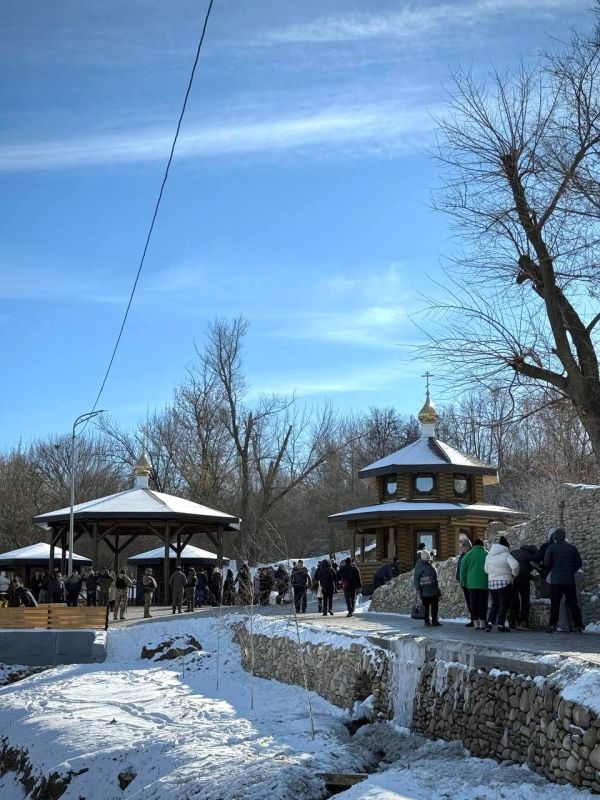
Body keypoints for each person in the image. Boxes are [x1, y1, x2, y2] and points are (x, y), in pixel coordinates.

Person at [543, 528, 584, 633]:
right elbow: (579, 563)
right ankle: (579, 625)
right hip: (569, 580)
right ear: (564, 537)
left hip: (556, 580)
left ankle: (552, 625)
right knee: (573, 603)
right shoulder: (572, 548)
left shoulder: (552, 548)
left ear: (555, 538)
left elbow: (546, 563)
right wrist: (571, 571)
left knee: (555, 604)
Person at [484, 535, 519, 632]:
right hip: (504, 583)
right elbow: (515, 565)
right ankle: (500, 625)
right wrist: (514, 574)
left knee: (495, 604)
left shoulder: (488, 556)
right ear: (506, 547)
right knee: (504, 604)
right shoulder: (506, 555)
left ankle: (489, 624)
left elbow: (486, 570)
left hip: (492, 583)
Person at [460, 538, 488, 629]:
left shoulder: (467, 555)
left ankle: (475, 623)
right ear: (482, 545)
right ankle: (483, 623)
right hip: (484, 584)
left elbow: (463, 571)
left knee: (473, 603)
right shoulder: (487, 554)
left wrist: (463, 583)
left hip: (471, 584)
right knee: (483, 603)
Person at [509, 544, 538, 629]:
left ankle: (513, 620)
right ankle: (523, 621)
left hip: (512, 579)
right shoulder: (530, 556)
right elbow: (531, 568)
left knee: (513, 600)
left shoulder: (513, 552)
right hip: (523, 580)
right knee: (525, 601)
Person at [413, 550, 442, 626]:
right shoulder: (419, 565)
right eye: (427, 559)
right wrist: (418, 589)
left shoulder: (429, 564)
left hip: (433, 589)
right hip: (425, 590)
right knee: (426, 607)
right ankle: (427, 621)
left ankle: (434, 621)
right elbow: (416, 578)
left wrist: (438, 590)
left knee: (434, 606)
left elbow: (435, 579)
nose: (428, 561)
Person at [456, 539, 473, 626]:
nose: (463, 548)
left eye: (465, 546)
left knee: (472, 602)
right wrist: (458, 578)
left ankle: (475, 620)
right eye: (463, 546)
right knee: (469, 602)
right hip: (464, 582)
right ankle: (473, 619)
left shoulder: (470, 555)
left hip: (470, 582)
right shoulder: (462, 556)